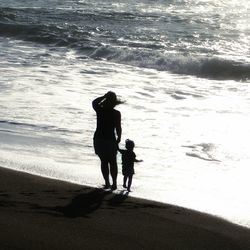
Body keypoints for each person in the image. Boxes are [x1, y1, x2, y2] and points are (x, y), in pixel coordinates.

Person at [92, 91, 122, 190]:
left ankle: (107, 183)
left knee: (104, 161)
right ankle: (114, 184)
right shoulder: (116, 113)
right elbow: (118, 127)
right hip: (110, 139)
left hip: (99, 138)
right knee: (113, 161)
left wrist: (103, 96)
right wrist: (119, 137)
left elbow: (94, 102)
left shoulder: (100, 110)